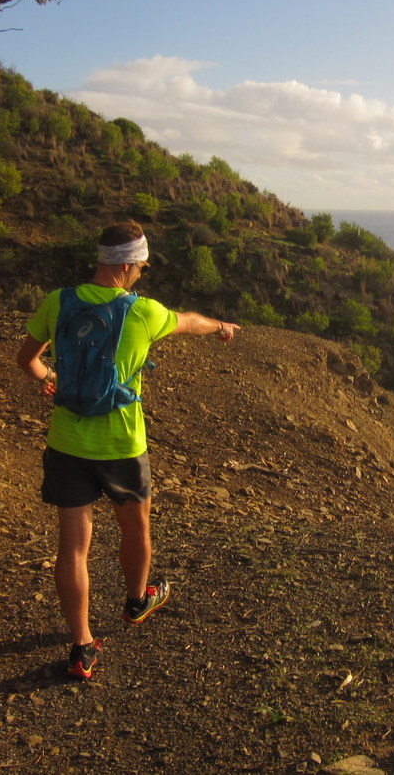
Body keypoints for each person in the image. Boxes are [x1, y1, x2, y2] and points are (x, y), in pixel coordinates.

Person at [16, 220, 240, 679]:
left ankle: (81, 647)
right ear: (130, 266)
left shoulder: (57, 302)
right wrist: (220, 325)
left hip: (67, 442)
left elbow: (27, 358)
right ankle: (138, 601)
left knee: (73, 548)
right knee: (135, 528)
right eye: (141, 266)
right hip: (122, 444)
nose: (141, 272)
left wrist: (50, 379)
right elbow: (190, 322)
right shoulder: (143, 312)